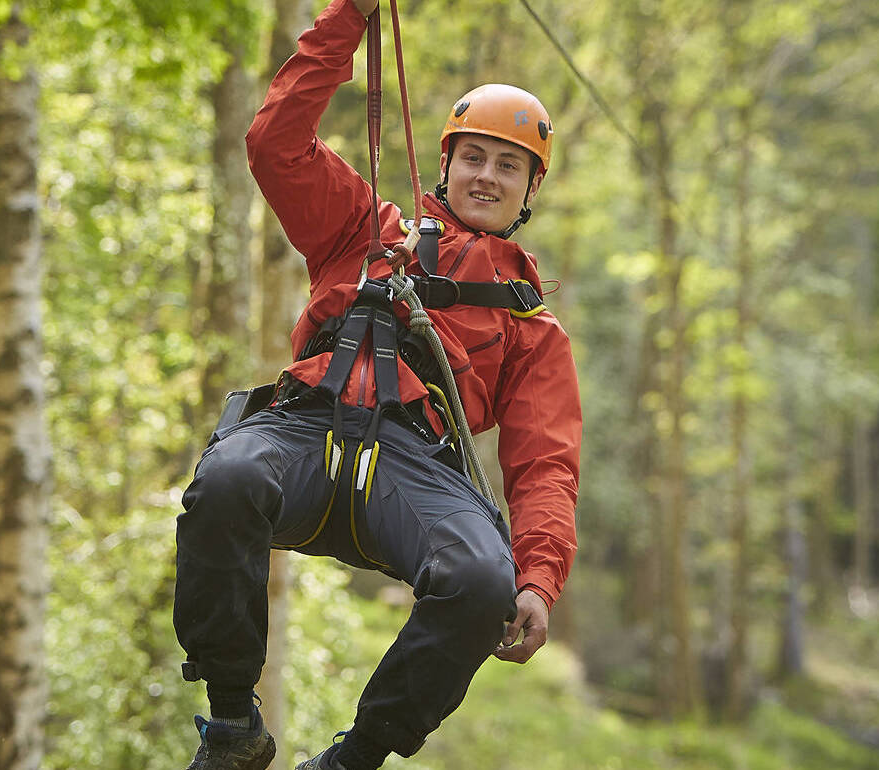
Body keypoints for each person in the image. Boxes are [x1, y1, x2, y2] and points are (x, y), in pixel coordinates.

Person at [174, 0, 580, 766]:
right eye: (475, 157)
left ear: (530, 192)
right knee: (225, 479)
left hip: (413, 467)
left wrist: (539, 577)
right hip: (303, 430)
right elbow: (275, 142)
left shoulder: (533, 332)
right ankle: (233, 723)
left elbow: (545, 467)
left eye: (509, 166)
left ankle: (354, 758)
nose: (487, 177)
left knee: (482, 581)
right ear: (448, 162)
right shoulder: (365, 228)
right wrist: (350, 16)